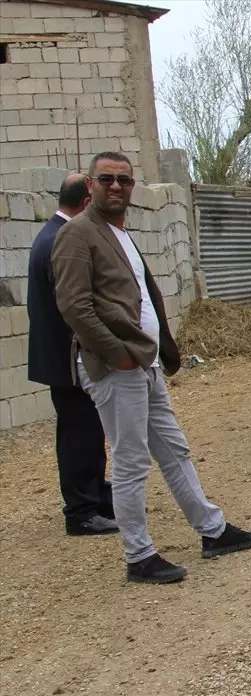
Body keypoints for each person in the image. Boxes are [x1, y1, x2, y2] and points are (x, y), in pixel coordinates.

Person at [52, 152, 251, 584]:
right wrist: (117, 354)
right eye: (106, 179)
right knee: (131, 462)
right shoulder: (77, 234)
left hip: (141, 361)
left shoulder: (119, 233)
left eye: (124, 180)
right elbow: (74, 305)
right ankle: (140, 556)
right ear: (89, 185)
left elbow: (142, 297)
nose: (116, 186)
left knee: (173, 449)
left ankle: (213, 530)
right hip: (117, 366)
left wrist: (159, 349)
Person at [26, 173, 118, 536]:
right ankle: (80, 510)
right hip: (67, 357)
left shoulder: (52, 234)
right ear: (85, 203)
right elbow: (73, 305)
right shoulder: (60, 239)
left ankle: (96, 495)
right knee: (78, 432)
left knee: (90, 429)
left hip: (64, 354)